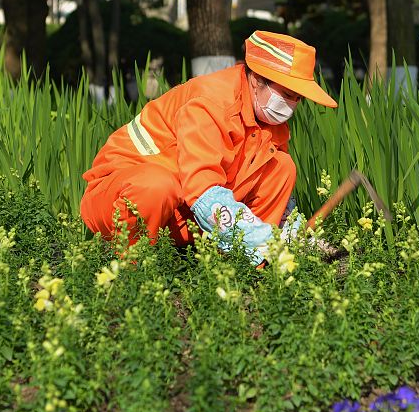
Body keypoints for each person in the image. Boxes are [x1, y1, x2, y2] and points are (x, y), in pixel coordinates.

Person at [80, 31, 337, 264]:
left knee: (281, 167)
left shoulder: (269, 121)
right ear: (258, 79)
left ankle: (249, 266)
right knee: (157, 185)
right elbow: (203, 192)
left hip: (181, 209)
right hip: (121, 201)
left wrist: (291, 233)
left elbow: (271, 190)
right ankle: (131, 267)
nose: (291, 105)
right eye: (287, 93)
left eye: (298, 98)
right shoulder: (211, 102)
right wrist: (267, 240)